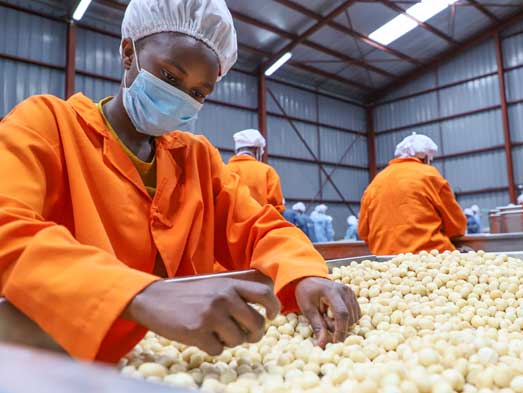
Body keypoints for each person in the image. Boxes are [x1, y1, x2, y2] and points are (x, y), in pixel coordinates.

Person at [0, 0, 359, 364]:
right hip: (66, 358)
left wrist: (304, 275)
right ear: (129, 53)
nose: (180, 98)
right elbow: (7, 227)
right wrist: (139, 295)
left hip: (180, 363)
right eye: (170, 77)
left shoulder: (196, 158)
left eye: (198, 93)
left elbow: (259, 227)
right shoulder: (48, 126)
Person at [358, 133, 466, 255]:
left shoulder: (376, 182)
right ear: (426, 158)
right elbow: (456, 227)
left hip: (385, 260)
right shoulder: (429, 175)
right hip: (431, 257)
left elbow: (363, 232)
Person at [225, 129, 285, 213]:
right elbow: (277, 208)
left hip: (229, 226)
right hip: (261, 225)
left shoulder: (224, 171)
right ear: (256, 150)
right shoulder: (267, 171)